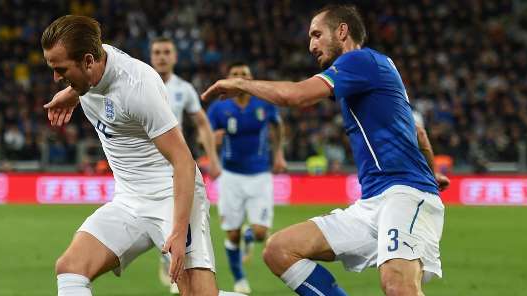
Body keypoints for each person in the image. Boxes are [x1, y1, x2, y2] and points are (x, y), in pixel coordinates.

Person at [202, 5, 448, 296]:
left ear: (342, 31)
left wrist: (242, 84)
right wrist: (433, 173)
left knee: (397, 284)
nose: (311, 45)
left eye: (317, 34)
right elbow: (417, 132)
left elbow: (294, 96)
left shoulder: (359, 60)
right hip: (371, 204)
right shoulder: (373, 70)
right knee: (280, 250)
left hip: (404, 194)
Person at [41, 15, 243, 296]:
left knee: (198, 294)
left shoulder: (137, 86)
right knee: (71, 267)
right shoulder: (92, 63)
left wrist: (178, 229)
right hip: (129, 199)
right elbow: (92, 83)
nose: (55, 77)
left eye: (60, 69)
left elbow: (183, 160)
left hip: (172, 195)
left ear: (87, 61)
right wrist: (72, 92)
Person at [150, 36, 222, 294]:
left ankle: (175, 259)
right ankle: (168, 253)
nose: (161, 56)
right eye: (157, 52)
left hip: (175, 164)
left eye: (166, 51)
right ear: (151, 55)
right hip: (147, 168)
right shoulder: (142, 84)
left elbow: (201, 123)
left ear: (175, 57)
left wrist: (212, 156)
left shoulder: (184, 89)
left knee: (183, 220)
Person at [206, 62, 287, 294]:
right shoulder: (219, 108)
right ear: (228, 78)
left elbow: (278, 126)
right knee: (231, 233)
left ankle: (249, 237)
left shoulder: (263, 103)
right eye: (235, 74)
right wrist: (212, 154)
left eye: (244, 74)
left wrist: (279, 153)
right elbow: (207, 134)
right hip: (231, 176)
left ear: (250, 79)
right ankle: (240, 279)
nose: (239, 77)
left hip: (260, 175)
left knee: (261, 233)